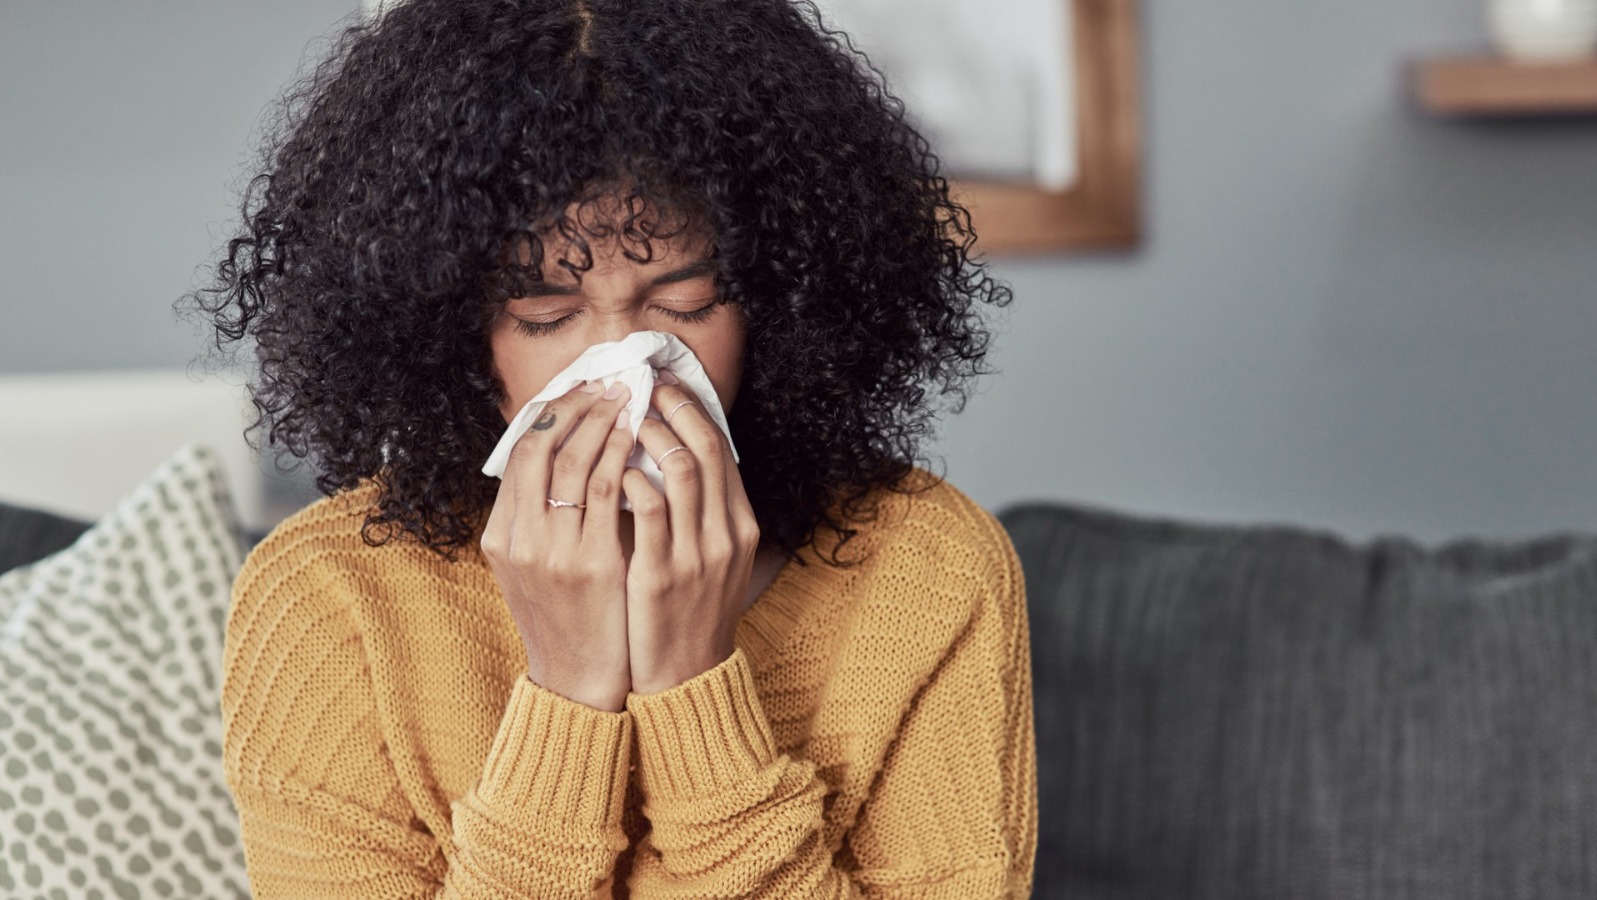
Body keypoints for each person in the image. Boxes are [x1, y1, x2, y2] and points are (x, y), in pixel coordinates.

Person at [188, 0, 1035, 896]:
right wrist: (566, 693)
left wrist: (694, 684)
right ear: (447, 329)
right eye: (546, 315)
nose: (622, 364)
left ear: (779, 301)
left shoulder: (932, 571)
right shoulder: (330, 599)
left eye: (687, 302)